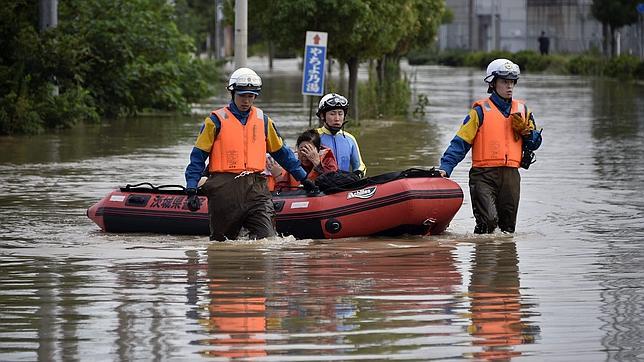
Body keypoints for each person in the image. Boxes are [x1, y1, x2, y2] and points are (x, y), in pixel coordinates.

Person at [184, 67, 316, 241]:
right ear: (232, 93)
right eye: (242, 95)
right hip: (224, 189)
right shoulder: (215, 121)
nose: (246, 100)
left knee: (268, 240)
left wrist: (303, 178)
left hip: (257, 189)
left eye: (250, 96)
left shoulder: (264, 121)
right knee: (222, 244)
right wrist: (192, 188)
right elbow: (198, 156)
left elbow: (282, 153)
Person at [438, 58, 543, 234]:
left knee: (507, 230)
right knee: (488, 222)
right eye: (504, 82)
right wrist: (445, 168)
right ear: (493, 83)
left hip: (511, 177)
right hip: (483, 176)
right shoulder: (479, 111)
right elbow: (460, 143)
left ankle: (505, 261)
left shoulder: (523, 112)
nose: (509, 86)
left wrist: (527, 133)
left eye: (512, 82)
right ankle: (481, 258)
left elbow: (535, 143)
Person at [315, 93, 366, 177]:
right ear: (322, 116)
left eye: (340, 114)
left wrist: (357, 174)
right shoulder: (313, 137)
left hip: (343, 185)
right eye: (332, 114)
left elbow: (360, 166)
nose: (337, 118)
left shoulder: (350, 139)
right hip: (319, 186)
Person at [273, 129, 338, 190]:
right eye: (302, 150)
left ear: (318, 150)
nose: (305, 155)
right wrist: (278, 177)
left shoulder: (328, 160)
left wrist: (318, 164)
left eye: (308, 150)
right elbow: (283, 191)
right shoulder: (293, 163)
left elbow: (334, 184)